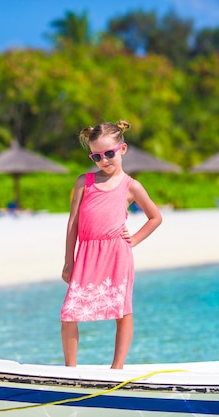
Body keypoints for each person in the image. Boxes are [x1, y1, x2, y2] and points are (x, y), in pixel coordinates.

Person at [60, 120, 162, 369]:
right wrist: (68, 260)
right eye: (96, 156)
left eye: (109, 153)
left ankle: (117, 367)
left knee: (122, 311)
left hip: (117, 254)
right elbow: (73, 222)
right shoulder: (84, 182)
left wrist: (134, 240)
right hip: (87, 255)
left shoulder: (132, 186)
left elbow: (155, 217)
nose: (104, 160)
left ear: (122, 149)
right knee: (69, 312)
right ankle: (70, 369)